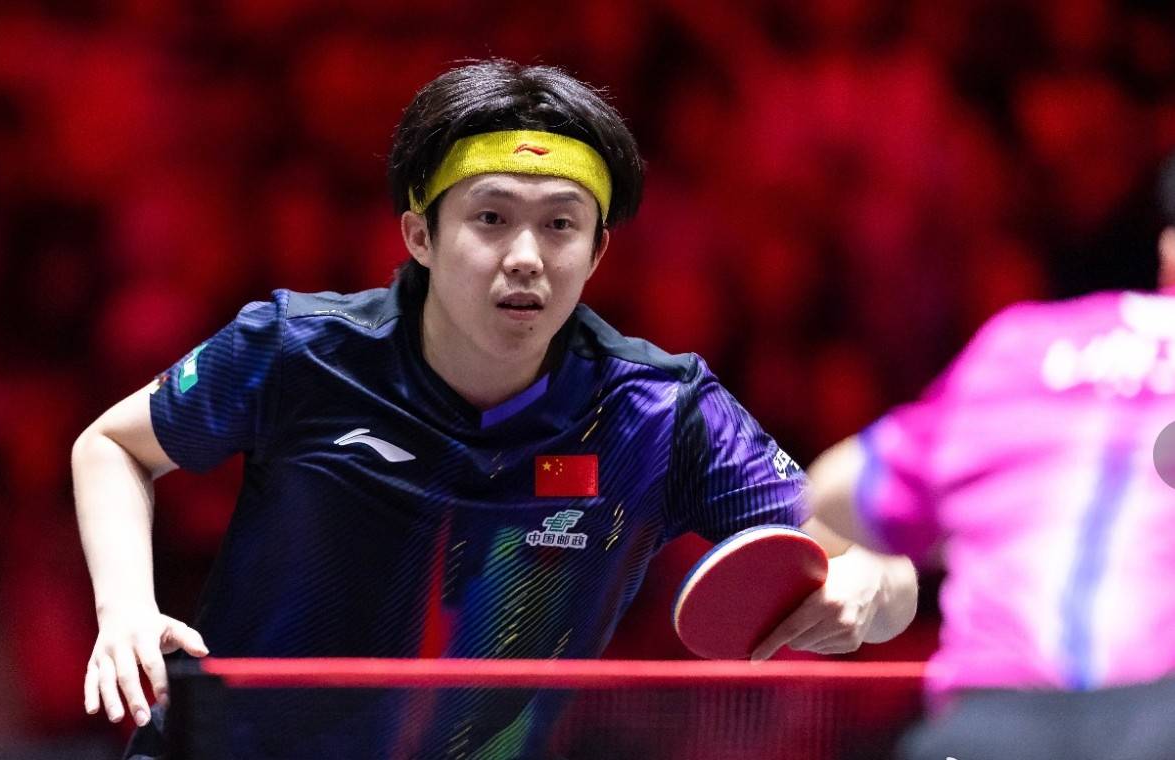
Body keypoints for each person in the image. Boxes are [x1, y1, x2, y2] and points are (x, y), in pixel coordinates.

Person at [72, 59, 918, 759]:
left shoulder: (660, 414)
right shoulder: (300, 351)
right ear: (420, 236)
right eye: (490, 217)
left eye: (560, 225)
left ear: (598, 251)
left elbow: (885, 563)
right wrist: (126, 611)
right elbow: (112, 445)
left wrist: (867, 587)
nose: (525, 257)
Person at [806, 156, 1175, 760]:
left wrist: (933, 539)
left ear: (1167, 251)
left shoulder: (1020, 346)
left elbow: (830, 492)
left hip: (987, 730)